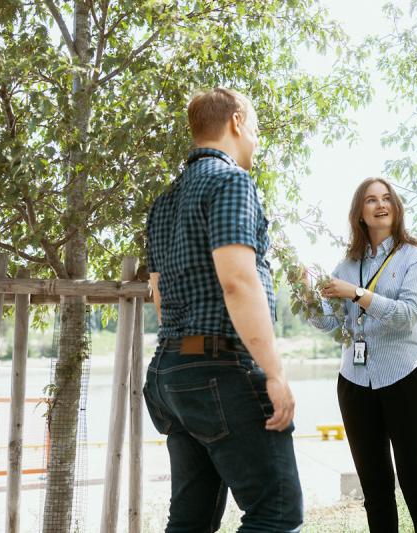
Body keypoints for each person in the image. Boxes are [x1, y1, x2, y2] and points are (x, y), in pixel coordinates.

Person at [144, 87, 303, 532]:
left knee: (190, 521)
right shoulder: (231, 181)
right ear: (235, 122)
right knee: (277, 512)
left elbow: (158, 295)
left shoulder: (164, 203)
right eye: (254, 127)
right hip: (221, 368)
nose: (255, 138)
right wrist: (274, 373)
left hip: (170, 373)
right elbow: (238, 280)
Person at [305, 177, 417, 532]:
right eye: (371, 200)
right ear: (360, 214)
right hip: (354, 383)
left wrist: (356, 294)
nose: (380, 204)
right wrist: (307, 297)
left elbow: (407, 315)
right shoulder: (347, 266)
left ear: (396, 209)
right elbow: (329, 322)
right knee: (376, 491)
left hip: (407, 378)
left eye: (387, 199)